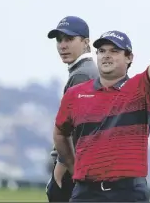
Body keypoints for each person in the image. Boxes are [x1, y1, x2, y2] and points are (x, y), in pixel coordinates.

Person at [53, 0, 150, 202]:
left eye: (114, 51)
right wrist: (74, 167)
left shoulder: (140, 89)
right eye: (101, 51)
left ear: (129, 58)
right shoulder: (75, 94)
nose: (106, 56)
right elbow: (59, 133)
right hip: (85, 192)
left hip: (127, 193)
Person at [45, 16, 99, 203]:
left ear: (85, 42)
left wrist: (61, 166)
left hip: (73, 167)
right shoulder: (83, 71)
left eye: (69, 39)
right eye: (59, 40)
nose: (62, 45)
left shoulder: (82, 74)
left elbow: (77, 128)